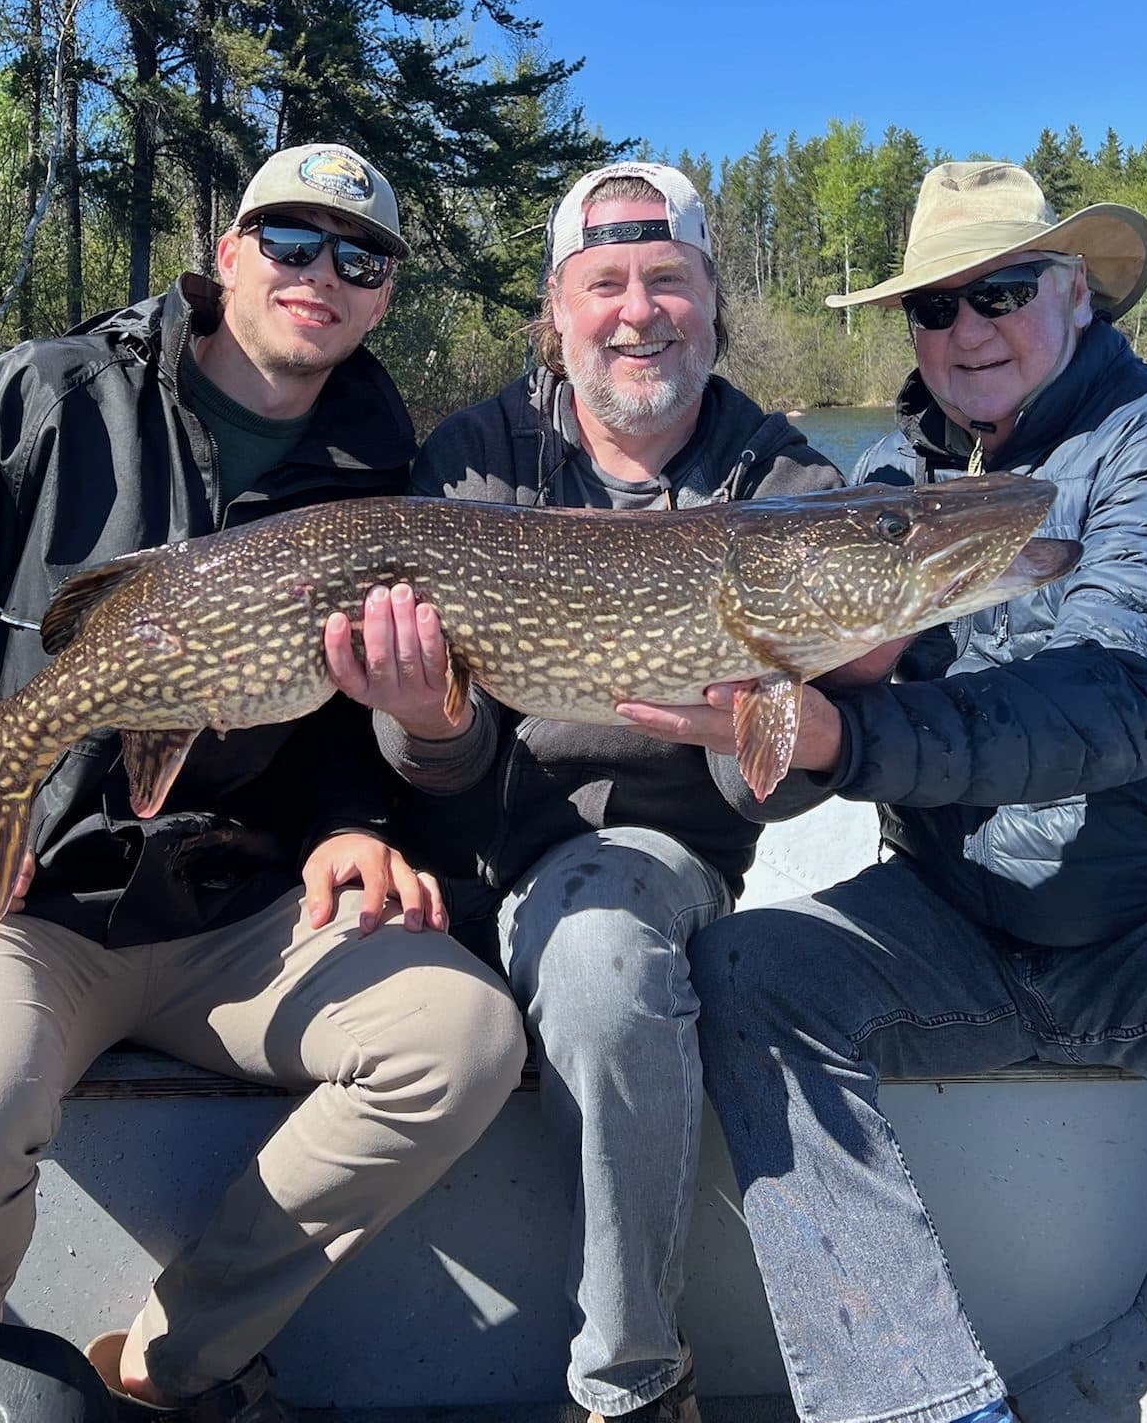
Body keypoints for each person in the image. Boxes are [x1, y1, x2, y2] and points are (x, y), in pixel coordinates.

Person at [0, 142, 528, 1423]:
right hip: (22, 893)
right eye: (293, 240)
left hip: (241, 912)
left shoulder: (387, 470)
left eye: (357, 256)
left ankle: (169, 1362)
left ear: (381, 296)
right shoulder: (40, 398)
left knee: (461, 1036)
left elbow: (346, 722)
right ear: (228, 255)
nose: (323, 272)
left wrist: (355, 817)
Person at [689, 159, 1147, 1423]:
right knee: (744, 971)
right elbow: (775, 779)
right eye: (933, 308)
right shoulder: (888, 491)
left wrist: (856, 741)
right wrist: (772, 723)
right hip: (957, 922)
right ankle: (922, 1403)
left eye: (1000, 290)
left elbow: (1130, 699)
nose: (967, 329)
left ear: (1078, 298)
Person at [326, 161, 846, 1422]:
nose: (639, 309)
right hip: (465, 849)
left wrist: (753, 730)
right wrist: (424, 722)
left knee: (607, 951)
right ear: (557, 314)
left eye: (669, 278)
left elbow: (762, 797)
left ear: (714, 303)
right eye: (603, 281)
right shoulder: (470, 459)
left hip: (648, 857)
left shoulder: (789, 490)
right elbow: (437, 756)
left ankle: (631, 1384)